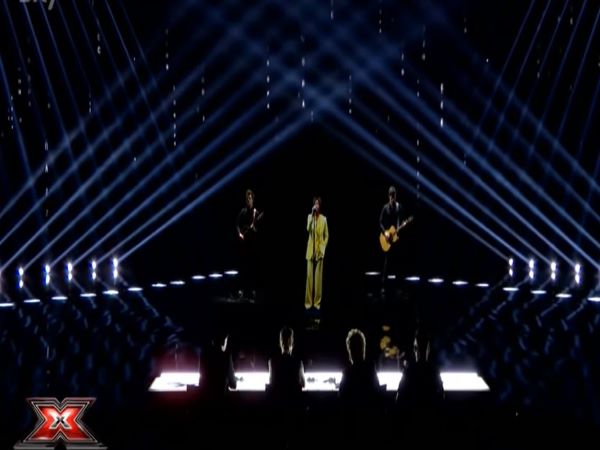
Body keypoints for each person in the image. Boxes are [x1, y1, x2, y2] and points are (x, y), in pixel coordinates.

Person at [338, 329, 381, 407]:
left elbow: (342, 400)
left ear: (350, 350)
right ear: (363, 348)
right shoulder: (371, 371)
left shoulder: (347, 374)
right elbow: (377, 398)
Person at [236, 189, 262, 299]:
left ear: (253, 200)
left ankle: (253, 290)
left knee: (252, 267)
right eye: (247, 199)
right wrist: (240, 234)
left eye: (250, 199)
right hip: (244, 244)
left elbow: (258, 228)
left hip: (253, 244)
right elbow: (237, 224)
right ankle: (241, 290)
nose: (249, 201)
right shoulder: (243, 211)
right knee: (243, 267)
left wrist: (255, 229)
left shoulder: (256, 212)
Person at [199, 330, 237, 402]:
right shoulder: (226, 357)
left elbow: (202, 380)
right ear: (224, 342)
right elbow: (233, 385)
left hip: (205, 399)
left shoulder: (204, 356)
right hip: (220, 399)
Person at [305, 196, 328, 310]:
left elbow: (326, 236)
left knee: (318, 280)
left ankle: (317, 303)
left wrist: (323, 248)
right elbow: (308, 229)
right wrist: (311, 214)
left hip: (319, 252)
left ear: (320, 206)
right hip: (310, 251)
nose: (316, 205)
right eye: (315, 204)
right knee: (309, 278)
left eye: (318, 204)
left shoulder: (324, 219)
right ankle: (308, 303)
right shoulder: (310, 217)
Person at [379, 185, 404, 293]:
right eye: (391, 195)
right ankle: (383, 284)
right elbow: (380, 221)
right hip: (387, 238)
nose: (392, 197)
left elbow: (400, 221)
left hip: (396, 238)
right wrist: (385, 232)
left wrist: (400, 228)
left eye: (394, 195)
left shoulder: (399, 207)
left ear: (395, 196)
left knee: (398, 261)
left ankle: (398, 286)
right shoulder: (385, 207)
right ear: (388, 196)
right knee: (387, 261)